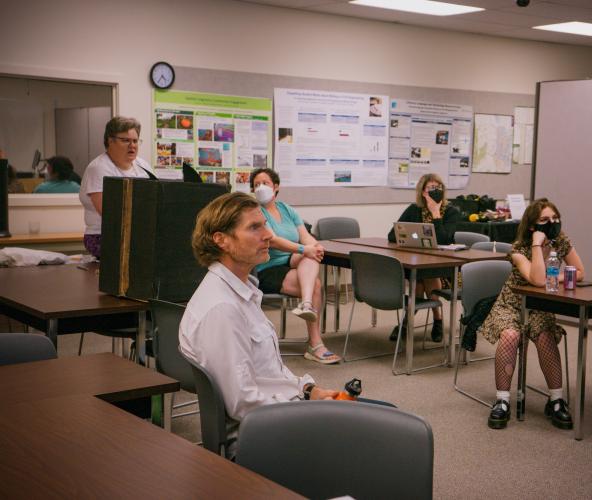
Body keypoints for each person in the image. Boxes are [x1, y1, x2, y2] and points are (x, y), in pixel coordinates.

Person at [179, 192, 346, 431]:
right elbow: (243, 404)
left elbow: (269, 373)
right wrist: (307, 412)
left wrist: (308, 391)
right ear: (221, 240)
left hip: (278, 413)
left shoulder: (241, 291)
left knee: (380, 416)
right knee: (382, 433)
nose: (268, 235)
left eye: (265, 225)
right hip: (263, 433)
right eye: (254, 228)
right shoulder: (223, 309)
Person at [478, 198, 585, 430]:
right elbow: (536, 279)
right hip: (511, 305)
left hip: (538, 306)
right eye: (545, 220)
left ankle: (556, 400)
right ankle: (502, 401)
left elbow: (580, 272)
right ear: (532, 226)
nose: (552, 223)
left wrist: (553, 278)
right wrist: (537, 246)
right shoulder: (519, 249)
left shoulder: (561, 241)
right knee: (510, 336)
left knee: (545, 336)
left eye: (555, 219)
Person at [249, 167, 340, 365]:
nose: (260, 187)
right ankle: (315, 345)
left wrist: (313, 246)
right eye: (256, 185)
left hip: (291, 260)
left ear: (276, 187)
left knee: (311, 254)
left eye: (265, 183)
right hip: (268, 267)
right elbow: (273, 240)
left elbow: (304, 235)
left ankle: (306, 304)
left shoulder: (286, 209)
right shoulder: (255, 211)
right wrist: (304, 249)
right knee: (315, 284)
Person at [387, 172, 462, 342]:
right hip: (420, 263)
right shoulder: (414, 210)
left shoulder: (451, 212)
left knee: (424, 277)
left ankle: (407, 323)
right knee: (420, 279)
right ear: (423, 192)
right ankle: (437, 320)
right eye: (431, 188)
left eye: (438, 187)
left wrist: (436, 214)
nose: (436, 191)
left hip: (448, 268)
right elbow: (392, 235)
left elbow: (444, 239)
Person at [79, 116, 151, 259]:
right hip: (102, 235)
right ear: (110, 141)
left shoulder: (143, 166)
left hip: (139, 234)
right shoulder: (99, 168)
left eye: (135, 141)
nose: (132, 145)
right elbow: (109, 213)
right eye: (125, 140)